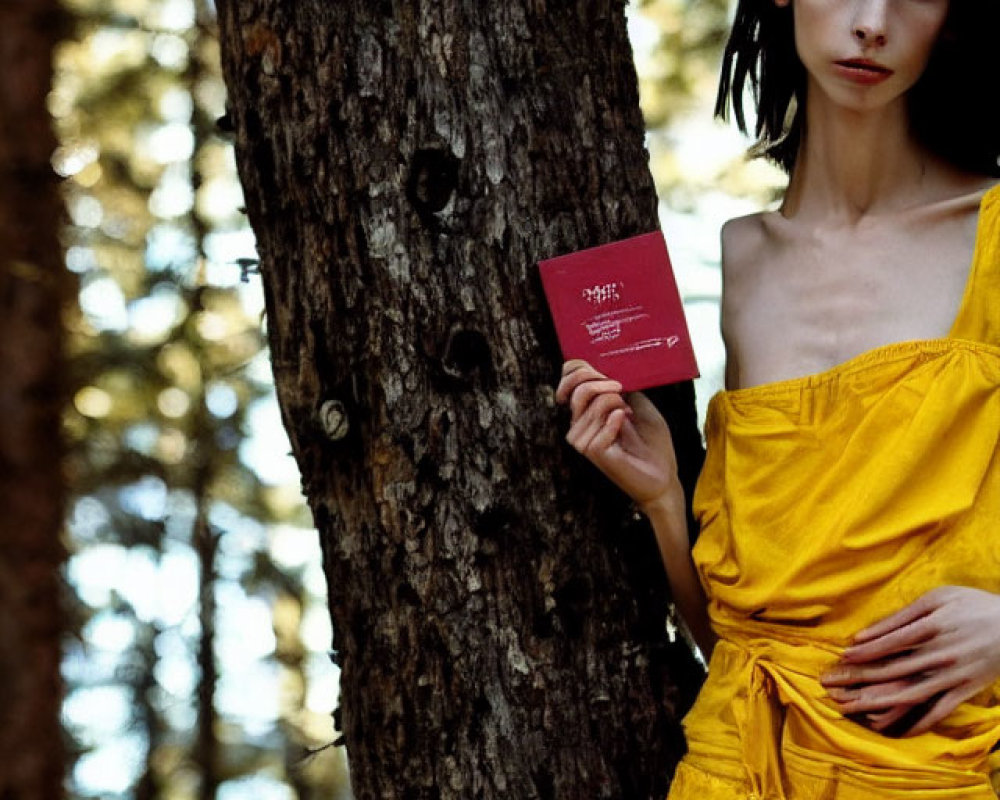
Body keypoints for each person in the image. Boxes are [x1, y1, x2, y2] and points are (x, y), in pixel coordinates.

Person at [556, 0, 1000, 797]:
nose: (872, 22)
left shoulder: (994, 236)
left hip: (942, 772)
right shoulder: (746, 259)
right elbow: (742, 645)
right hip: (738, 772)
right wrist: (664, 502)